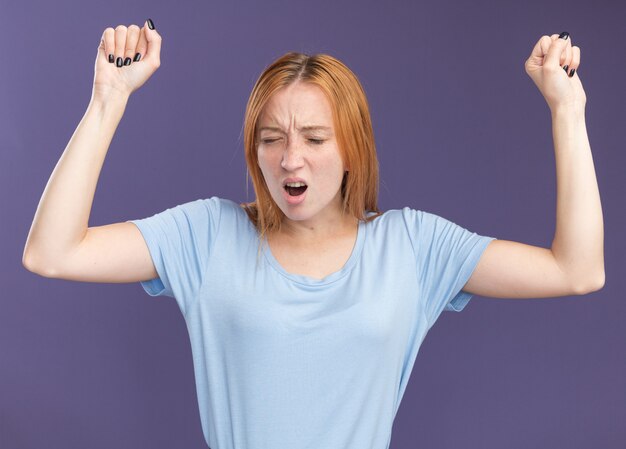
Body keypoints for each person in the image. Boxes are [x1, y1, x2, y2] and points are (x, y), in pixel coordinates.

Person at [22, 19, 604, 449]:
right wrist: (108, 98)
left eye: (315, 139)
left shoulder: (414, 248)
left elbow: (577, 270)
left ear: (351, 148)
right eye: (271, 137)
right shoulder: (204, 235)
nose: (290, 159)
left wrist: (567, 111)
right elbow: (52, 252)